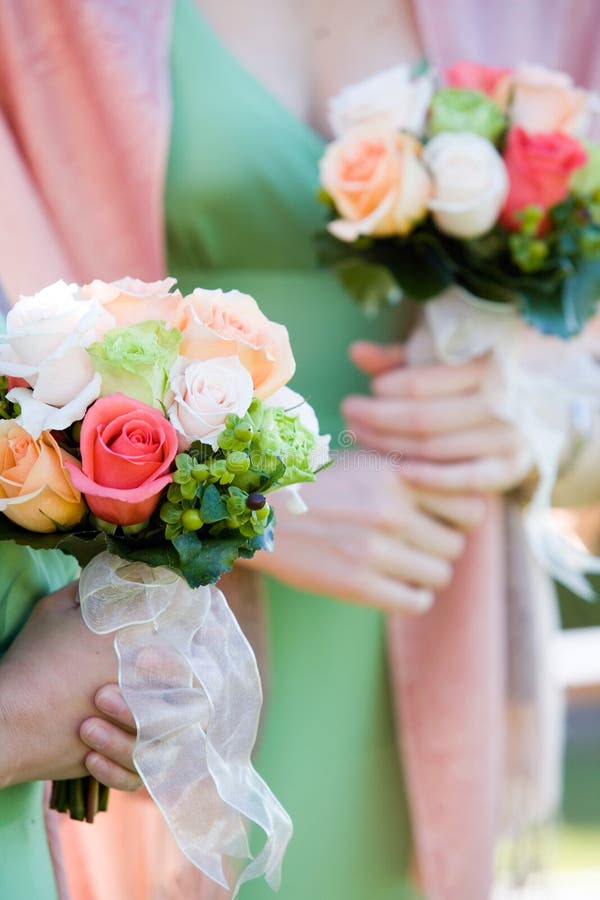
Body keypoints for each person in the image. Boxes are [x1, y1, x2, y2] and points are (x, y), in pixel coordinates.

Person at [1, 2, 599, 900]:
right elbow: (21, 336)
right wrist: (264, 514)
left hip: (434, 583)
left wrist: (531, 412)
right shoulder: (48, 22)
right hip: (170, 593)